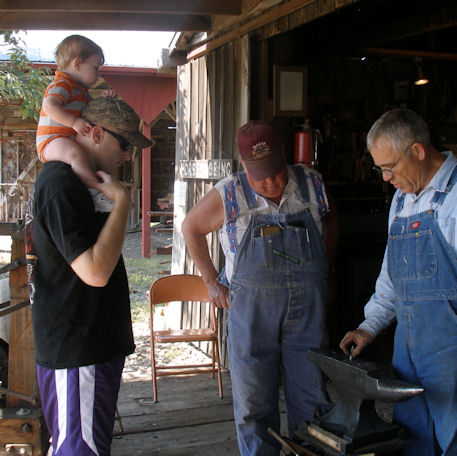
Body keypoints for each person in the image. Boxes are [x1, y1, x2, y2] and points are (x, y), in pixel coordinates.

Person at [182, 120, 335, 456]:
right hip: (252, 313)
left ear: (283, 155)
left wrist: (324, 267)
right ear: (244, 165)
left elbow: (330, 218)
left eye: (276, 171)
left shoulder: (311, 183)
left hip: (306, 311)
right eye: (260, 175)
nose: (271, 181)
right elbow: (190, 227)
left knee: (311, 395)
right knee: (254, 403)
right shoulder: (229, 193)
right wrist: (211, 283)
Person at [26, 97, 151, 456]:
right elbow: (95, 272)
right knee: (79, 450)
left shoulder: (79, 184)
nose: (127, 155)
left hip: (89, 346)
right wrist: (122, 203)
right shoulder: (60, 184)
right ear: (95, 134)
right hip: (78, 348)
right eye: (123, 144)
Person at [339, 108, 457, 456]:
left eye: (390, 167)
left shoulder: (454, 200)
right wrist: (369, 326)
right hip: (407, 350)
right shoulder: (402, 200)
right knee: (412, 437)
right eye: (380, 170)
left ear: (418, 151)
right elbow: (392, 277)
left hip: (450, 352)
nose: (386, 178)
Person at [36, 34, 104, 190]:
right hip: (50, 141)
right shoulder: (62, 84)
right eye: (95, 68)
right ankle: (94, 189)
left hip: (64, 140)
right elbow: (49, 106)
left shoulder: (81, 91)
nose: (98, 74)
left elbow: (95, 110)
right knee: (75, 153)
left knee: (82, 153)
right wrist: (74, 122)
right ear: (77, 64)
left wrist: (106, 98)